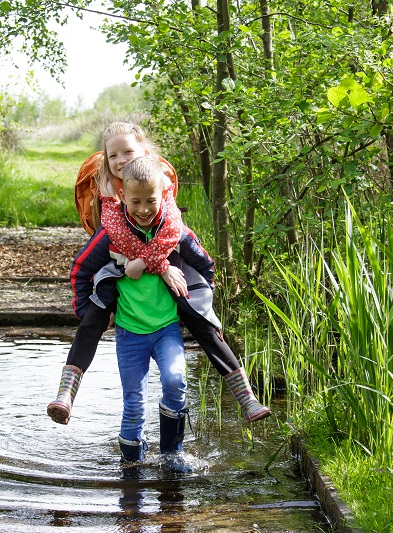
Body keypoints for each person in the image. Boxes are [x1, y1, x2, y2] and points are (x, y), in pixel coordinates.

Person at [47, 123, 270, 426]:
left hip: (170, 273)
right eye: (114, 155)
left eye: (129, 152)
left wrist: (200, 293)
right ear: (107, 162)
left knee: (203, 323)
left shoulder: (161, 198)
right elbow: (83, 266)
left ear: (146, 154)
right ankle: (66, 394)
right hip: (117, 274)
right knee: (92, 319)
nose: (122, 159)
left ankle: (246, 397)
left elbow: (194, 253)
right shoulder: (110, 203)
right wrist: (87, 305)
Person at [73, 156, 203, 472]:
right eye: (135, 202)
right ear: (123, 199)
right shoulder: (113, 236)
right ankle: (131, 463)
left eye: (150, 201)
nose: (143, 209)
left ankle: (173, 452)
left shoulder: (172, 233)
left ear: (164, 195)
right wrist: (85, 311)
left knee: (176, 381)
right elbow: (82, 267)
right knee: (133, 403)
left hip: (166, 328)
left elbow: (203, 263)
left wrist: (201, 303)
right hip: (130, 333)